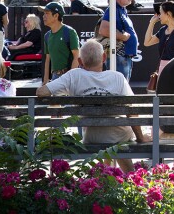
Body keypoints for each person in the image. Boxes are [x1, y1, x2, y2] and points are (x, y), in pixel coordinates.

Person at [37, 40, 149, 172]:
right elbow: (132, 110)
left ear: (79, 61)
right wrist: (141, 138)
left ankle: (104, 178)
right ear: (103, 57)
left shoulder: (74, 76)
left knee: (110, 139)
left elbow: (41, 92)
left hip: (92, 137)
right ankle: (132, 178)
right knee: (117, 138)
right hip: (118, 136)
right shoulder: (117, 77)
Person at [99, 0, 138, 81]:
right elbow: (103, 30)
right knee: (120, 91)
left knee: (122, 89)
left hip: (123, 57)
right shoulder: (113, 9)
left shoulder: (121, 9)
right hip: (118, 57)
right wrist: (123, 36)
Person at [144, 1, 174, 74]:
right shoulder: (163, 30)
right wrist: (151, 23)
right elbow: (147, 42)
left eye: (161, 13)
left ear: (168, 14)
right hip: (162, 69)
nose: (159, 16)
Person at [41, 2, 80, 83]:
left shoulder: (70, 32)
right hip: (54, 77)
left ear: (56, 16)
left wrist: (71, 79)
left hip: (68, 76)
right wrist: (45, 81)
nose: (43, 16)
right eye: (44, 13)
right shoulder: (47, 36)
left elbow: (76, 57)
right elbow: (48, 59)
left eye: (47, 13)